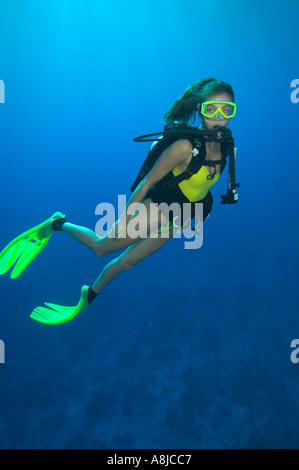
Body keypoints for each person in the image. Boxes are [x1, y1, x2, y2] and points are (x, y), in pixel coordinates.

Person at [0, 78, 237, 324]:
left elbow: (203, 188)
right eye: (211, 109)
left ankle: (88, 298)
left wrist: (197, 216)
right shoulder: (183, 148)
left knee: (128, 262)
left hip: (178, 219)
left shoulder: (228, 147)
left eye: (227, 109)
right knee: (101, 248)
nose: (219, 117)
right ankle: (57, 223)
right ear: (200, 108)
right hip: (156, 209)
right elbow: (146, 184)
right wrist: (122, 221)